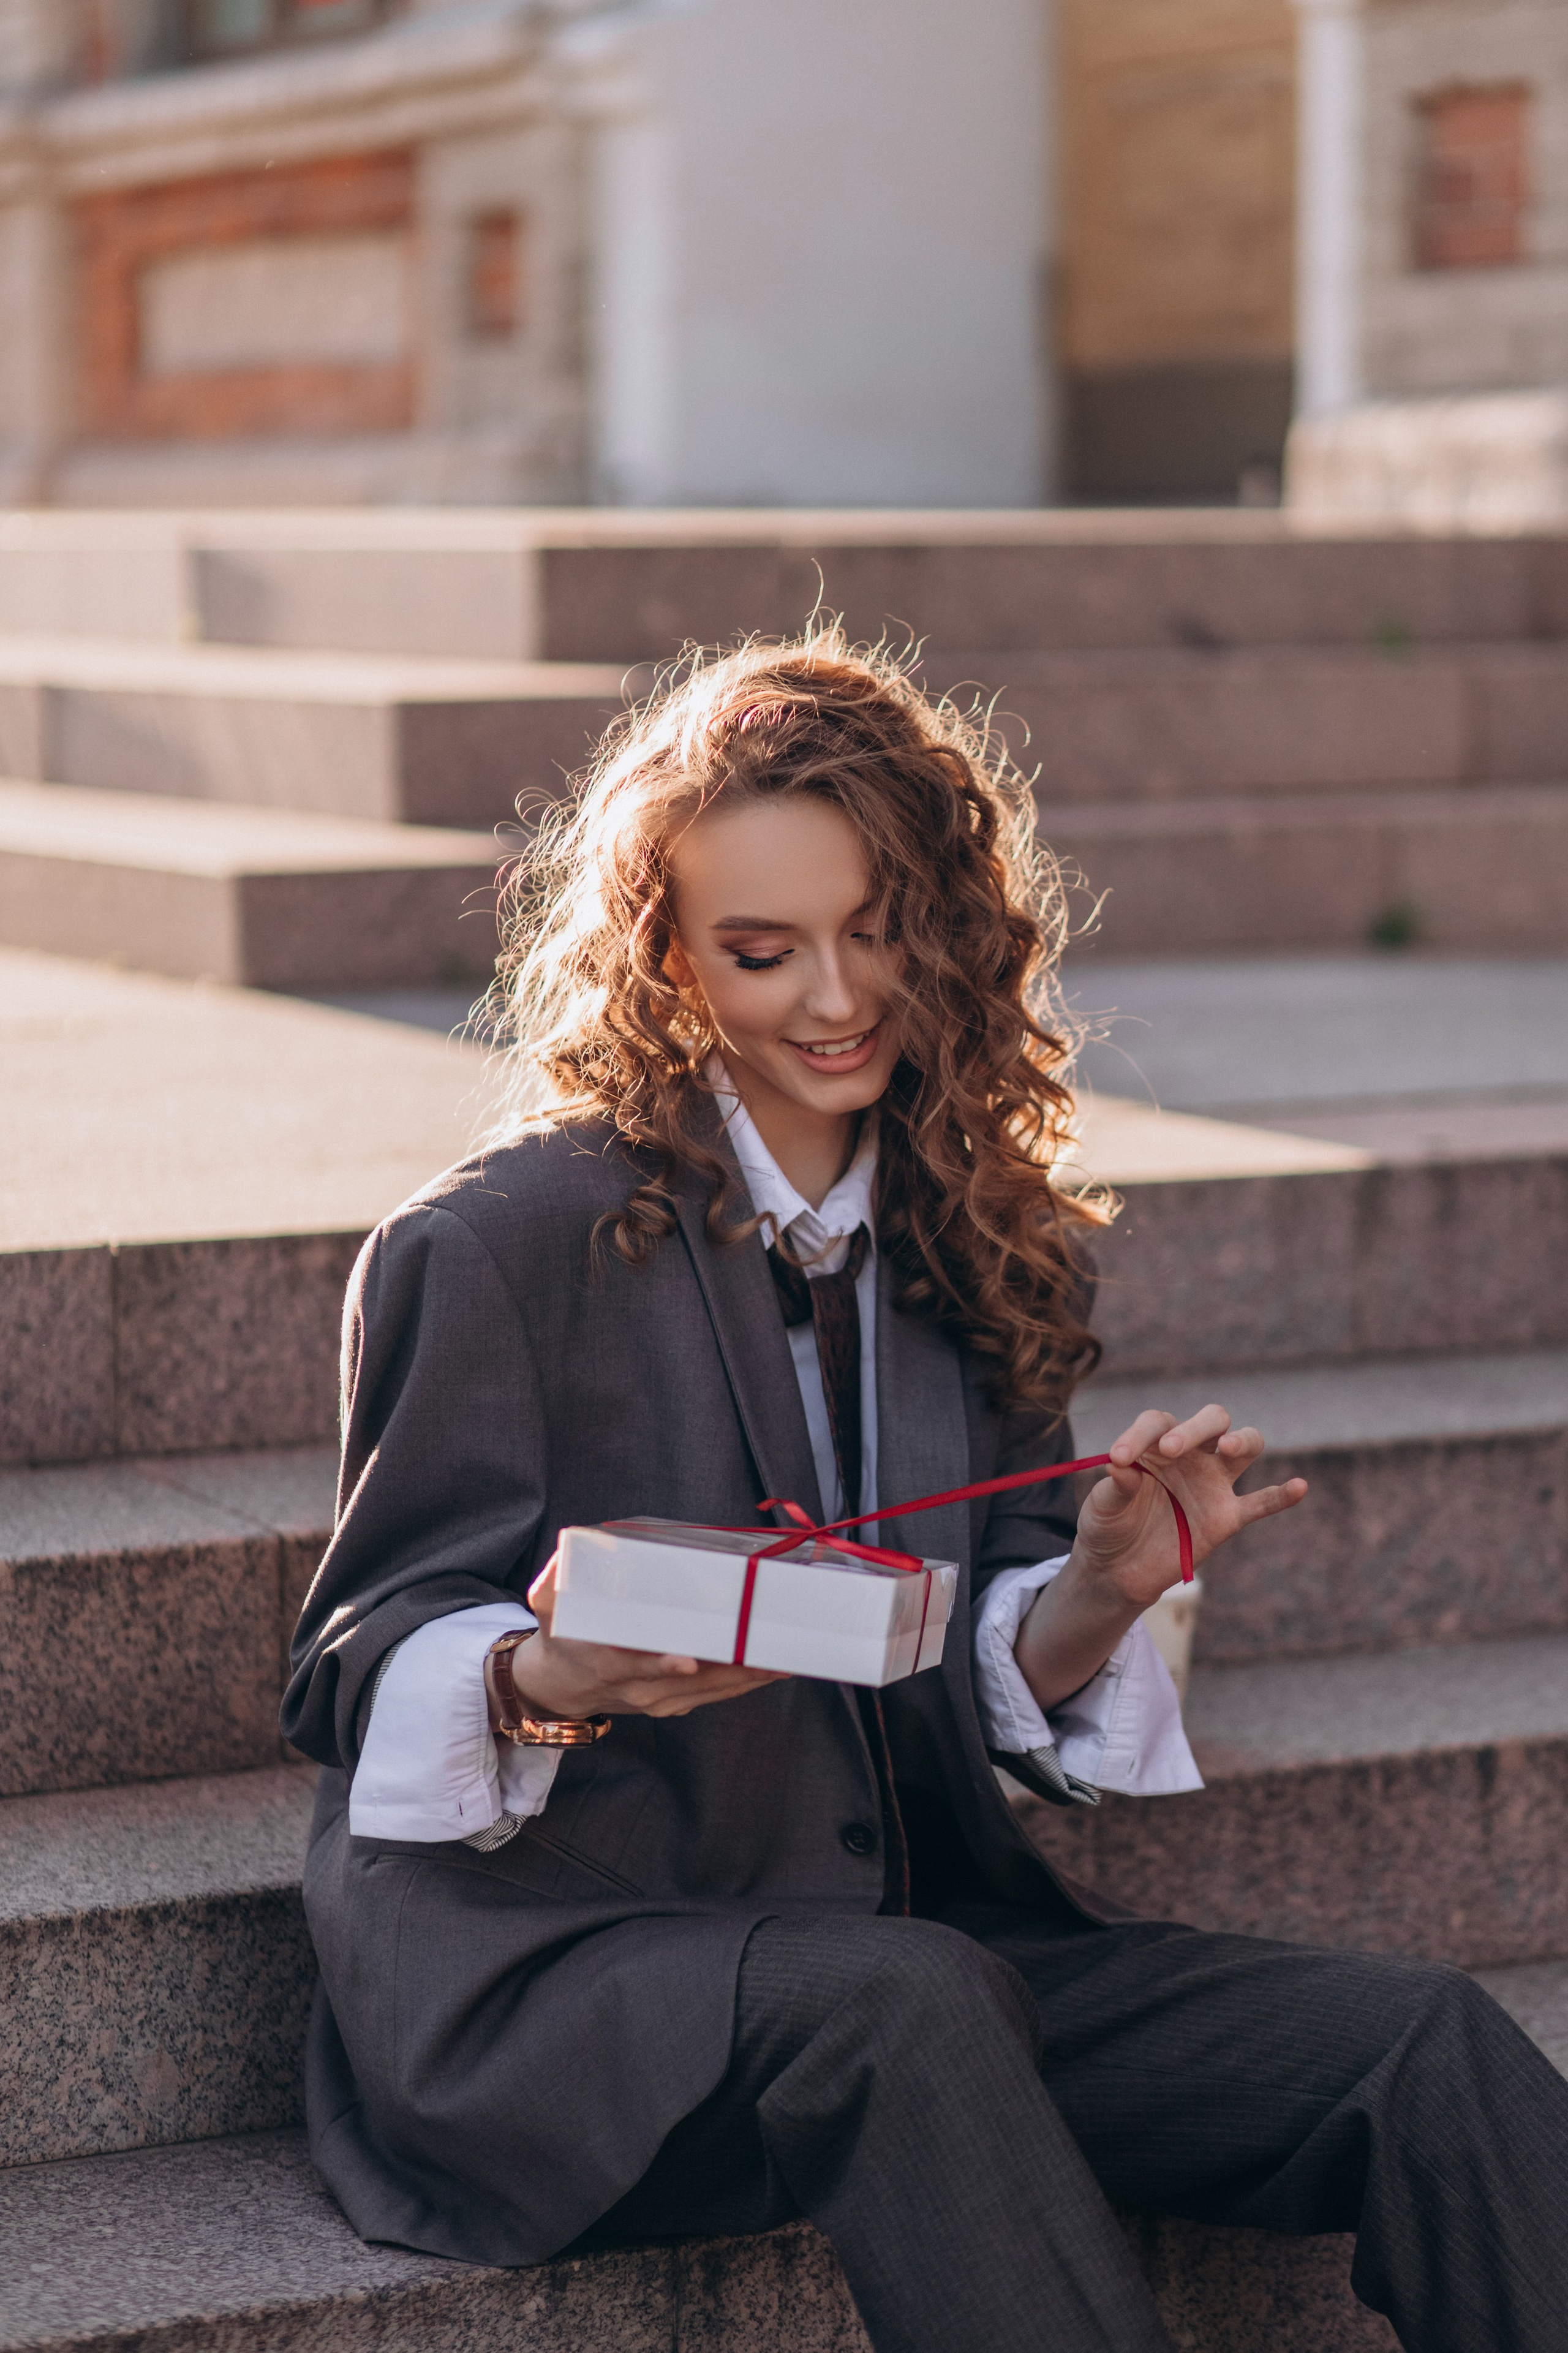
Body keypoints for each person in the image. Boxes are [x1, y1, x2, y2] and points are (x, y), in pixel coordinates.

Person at [285, 632, 1568, 2353]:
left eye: (875, 927)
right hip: (564, 1982)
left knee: (1418, 2042)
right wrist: (544, 1676)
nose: (835, 996)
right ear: (664, 953)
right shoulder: (494, 1244)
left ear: (945, 921)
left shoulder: (972, 1224)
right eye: (764, 948)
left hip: (903, 1950)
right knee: (915, 2000)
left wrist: (1106, 1585)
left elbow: (991, 1639)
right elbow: (353, 1662)